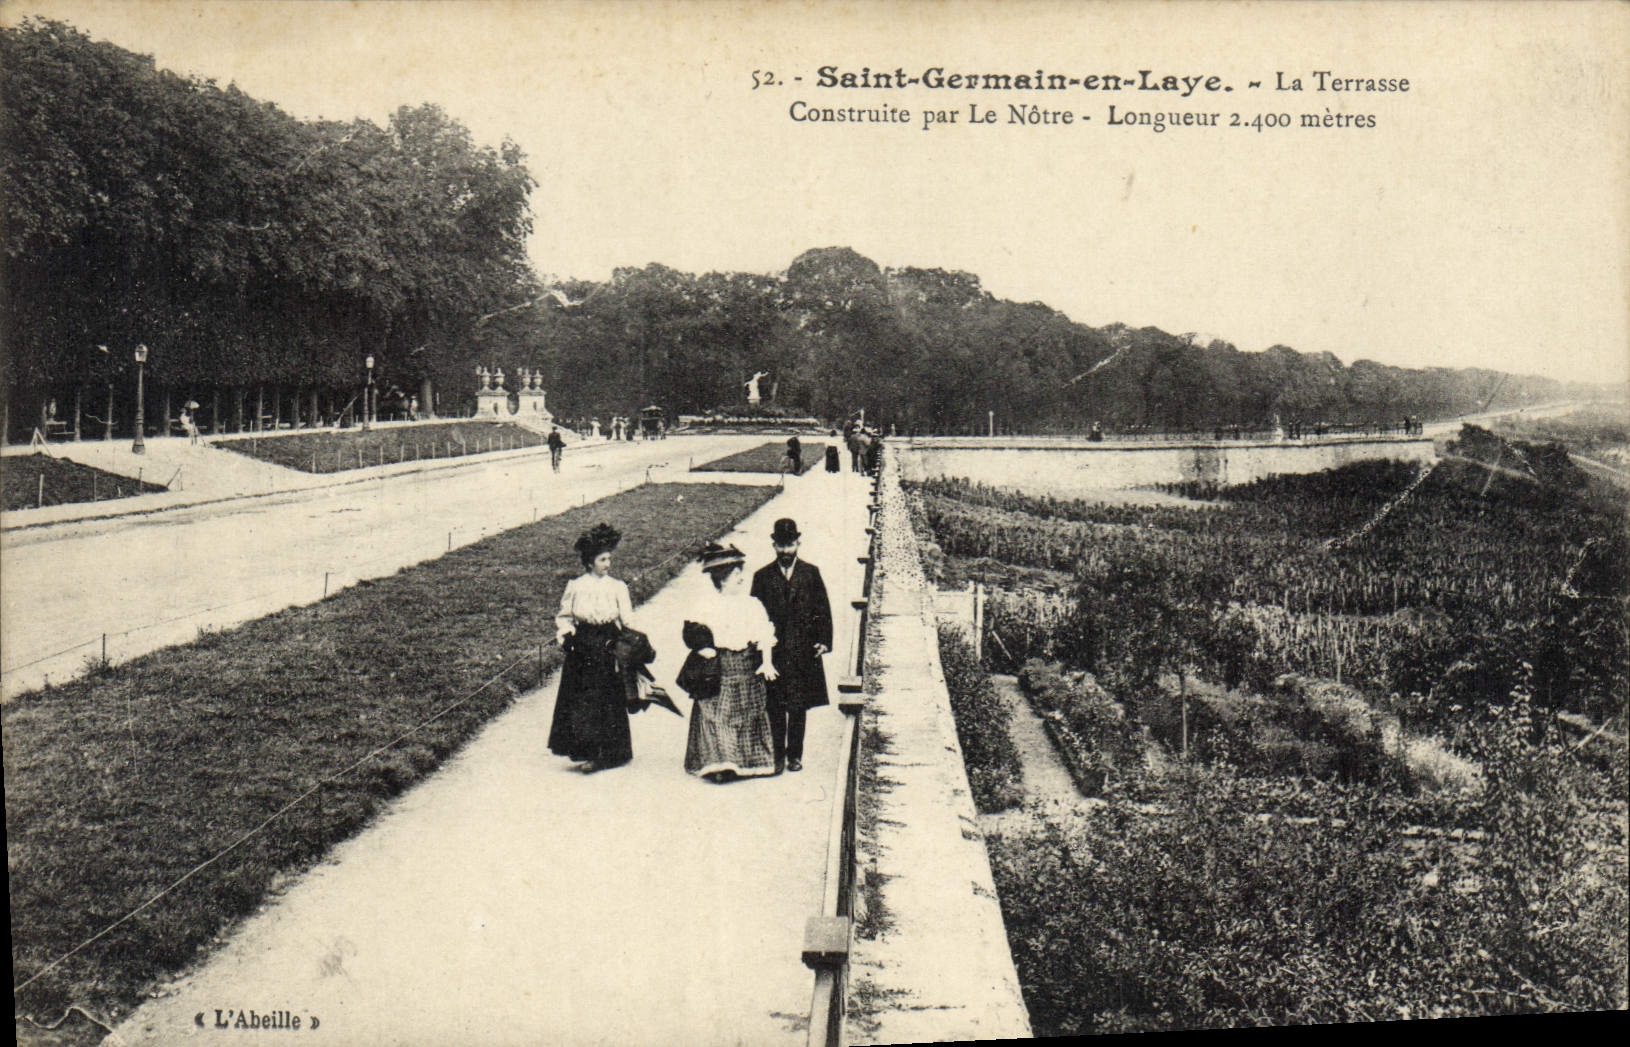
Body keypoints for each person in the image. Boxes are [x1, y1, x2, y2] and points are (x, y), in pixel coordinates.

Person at [681, 543, 779, 782]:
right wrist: (703, 648)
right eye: (736, 574)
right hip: (719, 668)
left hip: (746, 666)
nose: (741, 579)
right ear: (722, 579)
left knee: (747, 713)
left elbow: (764, 635)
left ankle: (745, 762)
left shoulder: (752, 604)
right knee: (718, 714)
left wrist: (767, 662)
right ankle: (721, 764)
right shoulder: (707, 605)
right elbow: (692, 631)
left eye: (741, 574)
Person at [548, 523, 636, 772]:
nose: (608, 564)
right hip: (584, 647)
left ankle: (610, 753)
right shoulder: (576, 586)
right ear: (589, 562)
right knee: (583, 699)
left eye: (609, 559)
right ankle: (586, 750)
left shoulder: (618, 587)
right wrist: (567, 636)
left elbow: (628, 619)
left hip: (608, 643)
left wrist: (631, 644)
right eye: (602, 559)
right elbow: (565, 617)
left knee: (607, 697)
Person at [750, 519, 832, 774]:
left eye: (790, 545)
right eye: (781, 546)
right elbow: (753, 614)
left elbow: (823, 609)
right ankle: (776, 755)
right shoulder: (762, 577)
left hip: (802, 651)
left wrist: (824, 640)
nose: (786, 551)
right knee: (774, 705)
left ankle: (794, 755)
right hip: (772, 652)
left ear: (799, 543)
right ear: (773, 545)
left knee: (798, 706)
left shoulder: (811, 573)